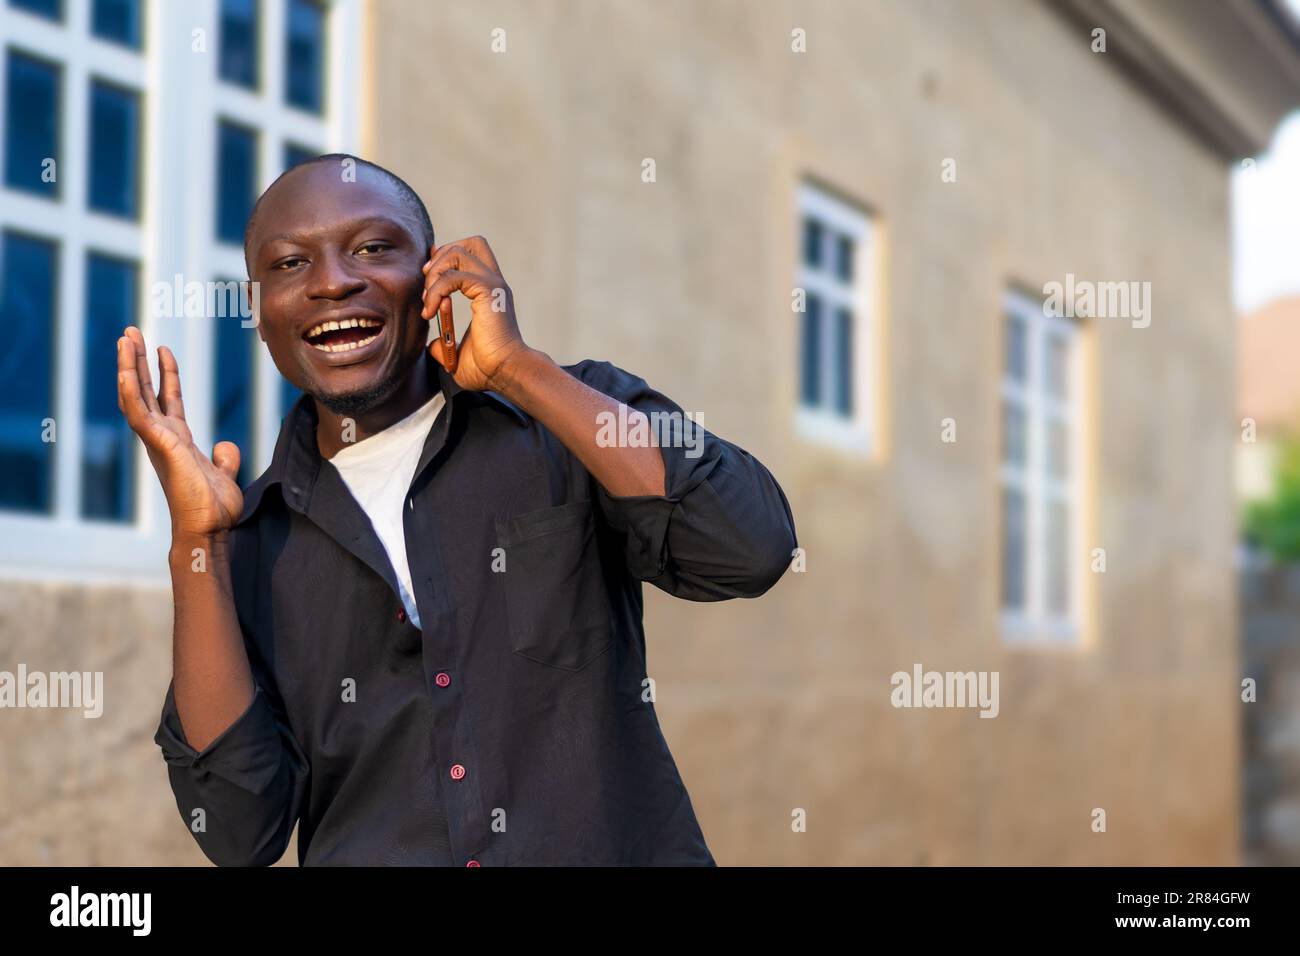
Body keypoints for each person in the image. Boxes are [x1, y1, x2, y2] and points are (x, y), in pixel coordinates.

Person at [117, 153, 798, 866]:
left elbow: (749, 549)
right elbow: (234, 829)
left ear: (435, 276)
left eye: (374, 248)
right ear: (258, 312)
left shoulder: (567, 426)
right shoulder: (252, 539)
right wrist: (198, 545)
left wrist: (517, 369)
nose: (333, 281)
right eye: (290, 265)